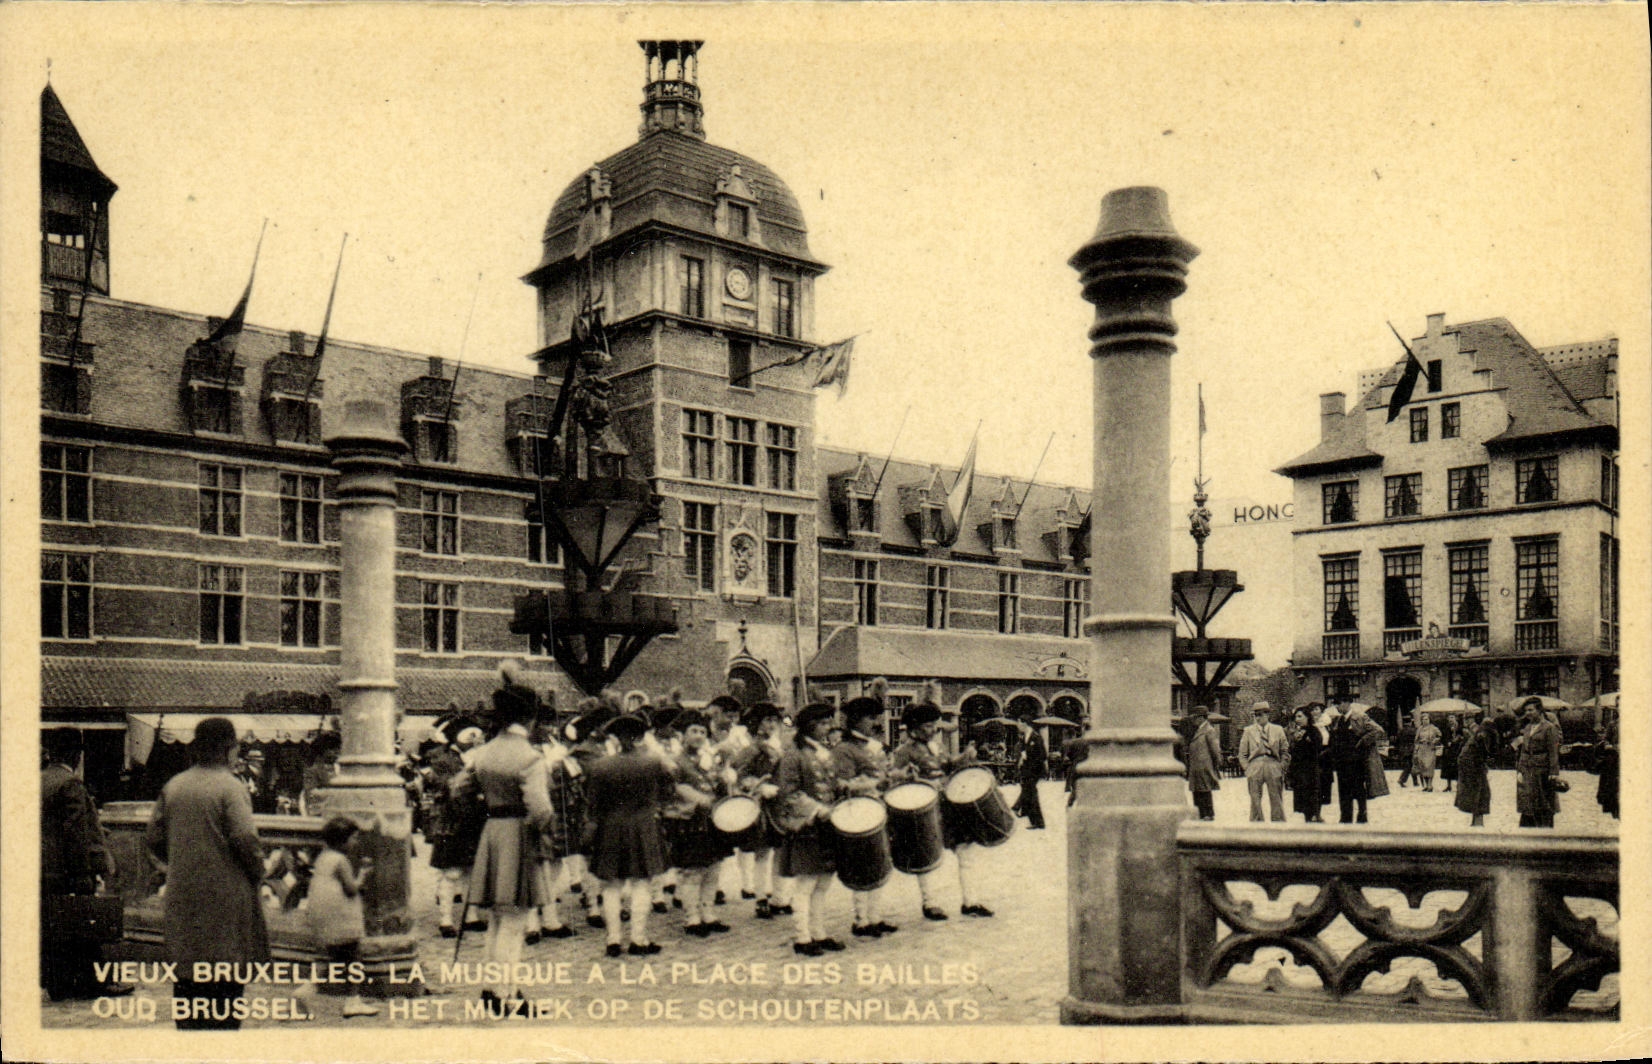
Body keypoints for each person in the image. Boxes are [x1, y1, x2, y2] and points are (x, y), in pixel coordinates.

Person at [145, 717, 270, 1029]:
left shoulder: (173, 786)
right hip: (225, 900)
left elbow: (154, 839)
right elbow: (245, 840)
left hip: (183, 896)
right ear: (229, 750)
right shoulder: (231, 788)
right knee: (224, 986)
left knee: (187, 982)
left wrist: (183, 862)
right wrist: (258, 871)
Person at [452, 684, 554, 1006]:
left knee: (497, 918)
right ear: (530, 718)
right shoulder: (529, 756)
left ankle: (490, 987)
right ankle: (505, 995)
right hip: (519, 835)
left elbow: (458, 790)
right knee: (514, 922)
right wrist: (539, 830)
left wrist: (486, 810)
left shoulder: (482, 753)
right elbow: (541, 809)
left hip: (492, 832)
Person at [41, 727, 133, 1001]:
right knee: (84, 925)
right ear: (77, 754)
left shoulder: (40, 780)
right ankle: (95, 982)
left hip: (45, 869)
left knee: (54, 928)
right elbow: (75, 833)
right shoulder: (70, 784)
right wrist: (86, 872)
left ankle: (58, 983)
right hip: (68, 869)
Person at [584, 714, 675, 957]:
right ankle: (638, 939)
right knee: (641, 884)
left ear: (616, 737)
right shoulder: (654, 762)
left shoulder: (600, 765)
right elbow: (668, 791)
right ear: (639, 736)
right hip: (643, 825)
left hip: (610, 827)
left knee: (610, 885)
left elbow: (592, 804)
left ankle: (613, 940)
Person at [890, 700, 991, 919]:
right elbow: (896, 783)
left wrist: (964, 757)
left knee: (966, 849)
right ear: (914, 728)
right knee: (928, 856)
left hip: (948, 805)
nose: (933, 730)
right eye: (927, 726)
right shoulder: (903, 751)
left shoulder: (935, 746)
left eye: (933, 725)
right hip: (925, 810)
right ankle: (930, 903)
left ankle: (971, 901)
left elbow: (948, 765)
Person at [775, 702, 846, 955]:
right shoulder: (794, 754)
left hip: (828, 826)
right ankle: (802, 937)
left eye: (829, 723)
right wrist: (817, 809)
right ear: (810, 726)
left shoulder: (824, 752)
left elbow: (832, 784)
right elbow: (789, 793)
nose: (829, 728)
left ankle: (819, 932)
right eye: (824, 723)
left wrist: (846, 789)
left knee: (823, 884)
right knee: (805, 884)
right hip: (807, 826)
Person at [664, 709, 733, 937]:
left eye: (702, 731)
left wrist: (725, 779)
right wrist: (699, 799)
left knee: (713, 868)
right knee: (692, 871)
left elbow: (717, 787)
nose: (698, 736)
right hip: (689, 821)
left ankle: (708, 913)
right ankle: (691, 917)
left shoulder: (708, 759)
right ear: (683, 734)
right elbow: (675, 788)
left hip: (711, 821)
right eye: (693, 731)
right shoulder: (676, 762)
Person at [833, 696, 897, 938]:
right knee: (862, 865)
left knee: (878, 862)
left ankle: (875, 916)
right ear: (856, 720)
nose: (875, 722)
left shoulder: (867, 746)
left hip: (874, 808)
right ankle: (861, 920)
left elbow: (880, 773)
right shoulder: (844, 749)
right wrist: (873, 781)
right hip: (857, 812)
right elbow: (843, 783)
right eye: (871, 718)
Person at [305, 816, 379, 1017]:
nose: (355, 842)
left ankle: (305, 992)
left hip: (326, 915)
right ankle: (353, 1001)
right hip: (342, 916)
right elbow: (351, 888)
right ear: (342, 840)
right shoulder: (341, 861)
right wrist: (363, 874)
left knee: (331, 957)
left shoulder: (323, 857)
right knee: (354, 956)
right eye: (353, 838)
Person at [728, 702, 791, 919]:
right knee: (762, 852)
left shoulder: (782, 746)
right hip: (761, 804)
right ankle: (761, 898)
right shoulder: (752, 748)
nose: (772, 724)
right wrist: (760, 786)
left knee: (781, 851)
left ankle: (780, 898)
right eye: (767, 720)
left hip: (780, 804)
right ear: (757, 723)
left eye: (774, 720)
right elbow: (741, 775)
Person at [1513, 696, 1561, 828]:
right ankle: (1529, 830)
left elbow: (1553, 751)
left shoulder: (1549, 727)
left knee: (1544, 802)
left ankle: (1545, 830)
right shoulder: (1528, 728)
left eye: (1531, 710)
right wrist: (1520, 770)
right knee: (1527, 801)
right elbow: (1523, 750)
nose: (1528, 713)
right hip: (1528, 769)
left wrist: (1554, 772)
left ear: (1539, 710)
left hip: (1542, 770)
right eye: (1526, 710)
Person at [1238, 702, 1289, 823]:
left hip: (1273, 763)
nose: (1258, 718)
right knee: (1255, 798)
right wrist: (1247, 768)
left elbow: (1285, 750)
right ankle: (1256, 822)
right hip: (1255, 764)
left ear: (1268, 715)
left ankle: (1278, 822)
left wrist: (1282, 766)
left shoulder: (1278, 729)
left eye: (1261, 714)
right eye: (1256, 715)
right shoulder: (1248, 731)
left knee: (1276, 797)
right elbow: (1242, 753)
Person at [1326, 705, 1367, 824]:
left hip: (1356, 761)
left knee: (1358, 788)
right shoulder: (1338, 720)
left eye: (1339, 704)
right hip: (1341, 762)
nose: (1337, 707)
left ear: (1347, 703)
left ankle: (1362, 813)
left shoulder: (1359, 717)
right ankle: (1345, 815)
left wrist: (1362, 741)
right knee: (1343, 789)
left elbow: (1377, 730)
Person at [1454, 714, 1496, 827]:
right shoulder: (1483, 735)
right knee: (1479, 794)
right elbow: (1486, 752)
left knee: (1477, 794)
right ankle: (1477, 822)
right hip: (1473, 768)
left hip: (1470, 767)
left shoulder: (1478, 734)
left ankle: (1476, 821)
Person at [1287, 706, 1326, 823]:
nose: (1297, 719)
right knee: (1302, 794)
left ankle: (1315, 815)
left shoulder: (1313, 731)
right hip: (1298, 768)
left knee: (1312, 792)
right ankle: (1307, 817)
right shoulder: (1294, 733)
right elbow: (1290, 750)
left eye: (1300, 716)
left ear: (1307, 717)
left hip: (1311, 768)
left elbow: (1317, 748)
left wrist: (1305, 741)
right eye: (1296, 717)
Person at [1183, 706, 1222, 821]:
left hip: (1205, 766)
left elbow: (1215, 749)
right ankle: (1200, 812)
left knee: (1204, 790)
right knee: (1197, 790)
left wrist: (1216, 764)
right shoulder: (1198, 730)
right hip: (1196, 767)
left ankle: (1208, 813)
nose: (1193, 721)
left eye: (1195, 718)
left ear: (1201, 718)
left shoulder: (1209, 730)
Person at [1011, 720, 1048, 830]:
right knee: (1030, 793)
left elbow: (1043, 755)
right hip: (1026, 769)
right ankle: (1028, 814)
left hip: (1034, 770)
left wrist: (1029, 757)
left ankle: (1034, 819)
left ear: (1025, 724)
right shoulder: (1024, 737)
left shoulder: (1036, 737)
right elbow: (1023, 750)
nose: (1018, 726)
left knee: (1030, 792)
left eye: (1019, 723)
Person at [1595, 714, 1619, 820]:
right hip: (1616, 761)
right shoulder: (1612, 724)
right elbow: (1606, 740)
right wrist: (1608, 745)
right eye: (1618, 705)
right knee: (1615, 789)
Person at [1412, 714, 1443, 792]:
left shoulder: (1433, 728)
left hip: (1430, 748)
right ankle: (1426, 784)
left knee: (1429, 766)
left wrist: (1435, 740)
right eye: (1423, 719)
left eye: (1426, 719)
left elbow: (1440, 735)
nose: (1425, 721)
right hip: (1421, 748)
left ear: (1429, 720)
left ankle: (1430, 784)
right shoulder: (1419, 729)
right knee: (1422, 766)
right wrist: (1416, 749)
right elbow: (1416, 740)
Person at [1439, 716, 1463, 794]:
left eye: (1452, 719)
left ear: (1455, 720)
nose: (1451, 721)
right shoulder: (1446, 729)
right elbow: (1442, 738)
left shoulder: (1459, 728)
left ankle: (1458, 785)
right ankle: (1448, 785)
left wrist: (1455, 741)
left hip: (1457, 750)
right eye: (1449, 720)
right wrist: (1446, 743)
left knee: (1457, 768)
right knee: (1447, 768)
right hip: (1448, 751)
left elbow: (1462, 738)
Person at [1392, 716, 1417, 788]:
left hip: (1403, 751)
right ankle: (1402, 780)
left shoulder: (1401, 731)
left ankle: (1415, 782)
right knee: (1411, 766)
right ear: (1410, 722)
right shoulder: (1413, 730)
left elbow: (1396, 742)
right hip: (1411, 750)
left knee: (1409, 765)